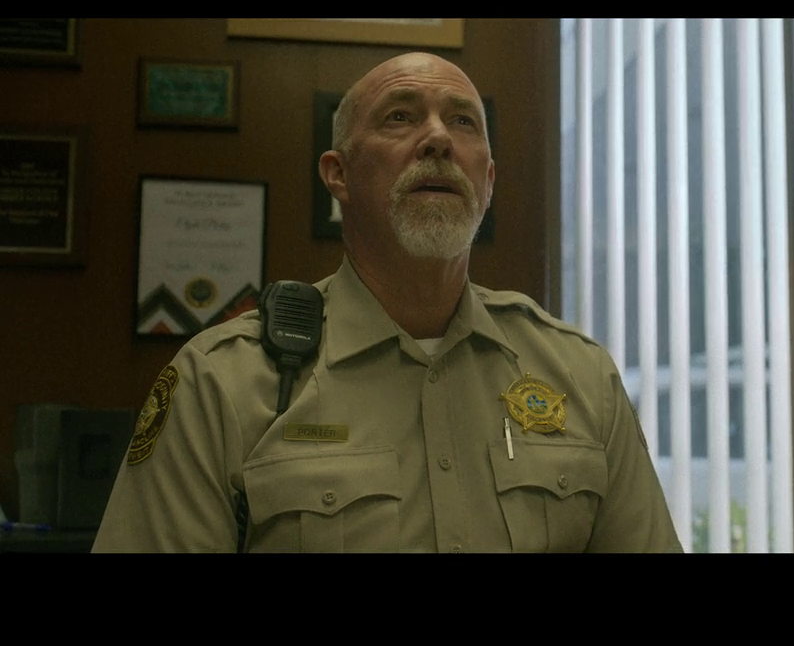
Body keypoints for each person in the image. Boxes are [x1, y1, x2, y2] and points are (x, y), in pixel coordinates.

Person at [94, 52, 681, 552]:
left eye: (463, 121)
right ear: (338, 175)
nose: (438, 139)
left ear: (488, 180)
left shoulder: (580, 376)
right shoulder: (223, 381)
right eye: (400, 117)